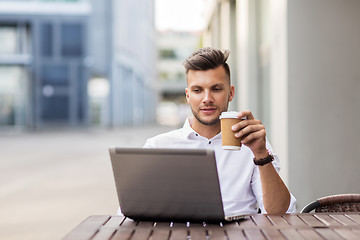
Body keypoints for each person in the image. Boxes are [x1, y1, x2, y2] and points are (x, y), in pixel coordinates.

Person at [145, 47, 296, 215]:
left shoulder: (252, 144)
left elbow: (282, 213)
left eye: (216, 89)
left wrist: (261, 154)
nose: (207, 98)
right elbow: (129, 215)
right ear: (188, 95)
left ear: (230, 93)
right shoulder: (158, 146)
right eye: (197, 90)